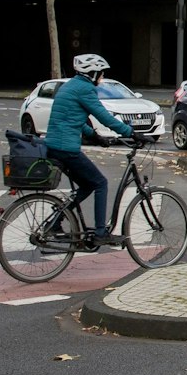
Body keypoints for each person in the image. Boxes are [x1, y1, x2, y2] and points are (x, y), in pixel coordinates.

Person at [44, 53, 133, 245]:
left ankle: (56, 221)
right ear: (92, 73)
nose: (101, 78)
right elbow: (104, 117)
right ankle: (101, 232)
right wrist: (129, 132)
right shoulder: (85, 89)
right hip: (66, 148)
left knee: (87, 184)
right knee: (100, 183)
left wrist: (95, 136)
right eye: (100, 74)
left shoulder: (69, 86)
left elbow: (71, 120)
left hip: (55, 146)